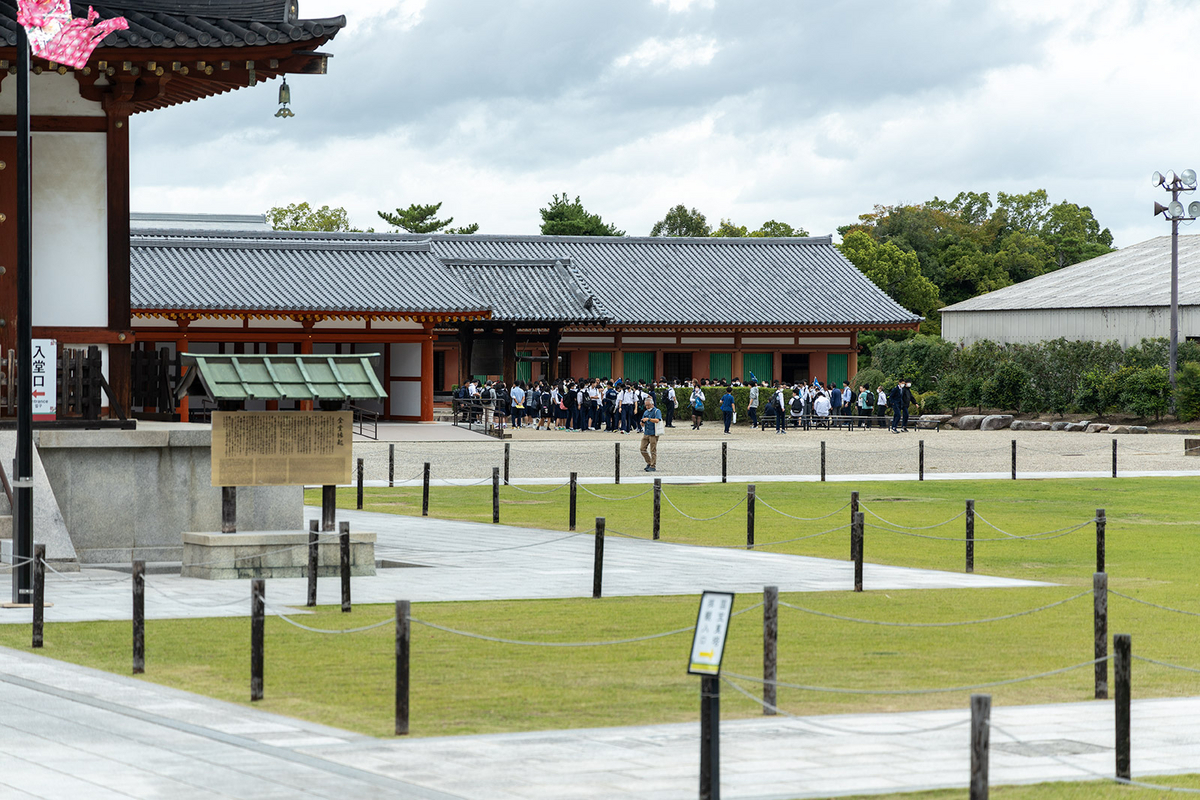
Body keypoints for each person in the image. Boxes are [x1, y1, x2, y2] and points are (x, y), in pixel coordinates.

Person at [640, 396, 663, 472]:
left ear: (652, 404)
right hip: (646, 432)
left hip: (654, 433)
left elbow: (657, 420)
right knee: (642, 448)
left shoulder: (657, 411)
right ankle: (649, 462)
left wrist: (649, 419)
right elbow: (643, 422)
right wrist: (642, 423)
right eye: (646, 405)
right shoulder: (645, 412)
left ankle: (653, 465)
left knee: (653, 450)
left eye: (648, 405)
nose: (647, 407)